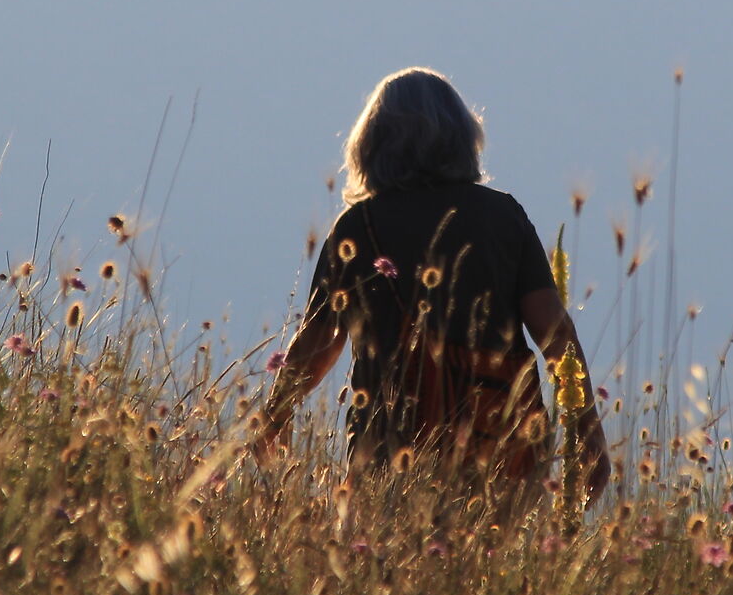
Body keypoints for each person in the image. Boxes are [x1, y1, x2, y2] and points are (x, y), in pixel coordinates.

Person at [255, 67, 611, 507]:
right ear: (463, 138)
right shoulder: (504, 218)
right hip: (501, 442)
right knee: (496, 550)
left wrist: (276, 413)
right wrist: (587, 429)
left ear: (371, 144)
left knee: (387, 550)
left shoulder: (359, 226)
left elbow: (320, 339)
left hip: (391, 447)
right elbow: (554, 333)